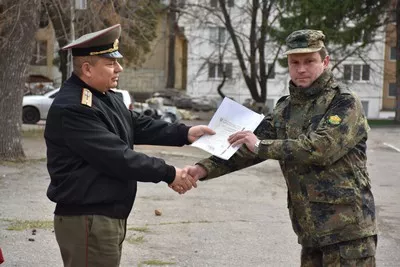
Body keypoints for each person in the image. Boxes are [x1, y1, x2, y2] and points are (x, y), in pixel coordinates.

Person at [184, 29, 377, 266]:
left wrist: (260, 145)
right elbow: (246, 147)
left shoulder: (344, 102)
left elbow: (320, 148)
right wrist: (203, 169)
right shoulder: (285, 108)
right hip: (310, 231)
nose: (301, 68)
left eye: (309, 61)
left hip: (348, 232)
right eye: (294, 62)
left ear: (325, 62)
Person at [44, 24, 214, 267]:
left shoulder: (104, 96)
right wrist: (169, 173)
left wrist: (185, 133)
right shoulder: (74, 107)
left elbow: (136, 124)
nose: (119, 68)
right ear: (87, 69)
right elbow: (117, 157)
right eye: (111, 63)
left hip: (103, 217)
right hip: (87, 218)